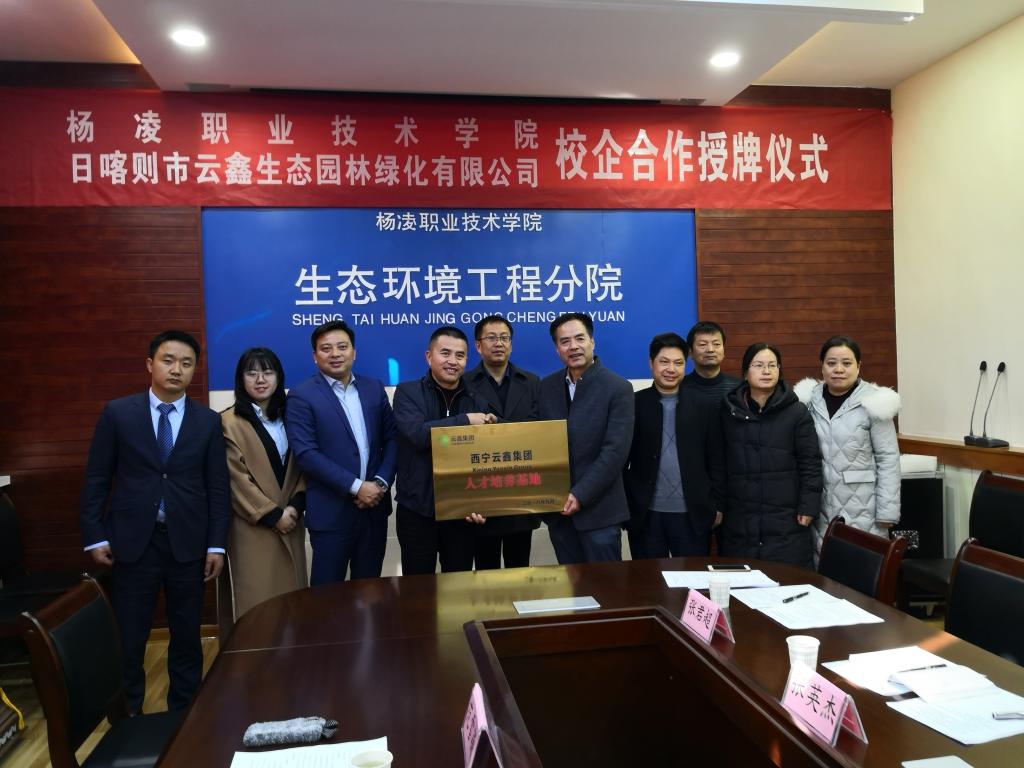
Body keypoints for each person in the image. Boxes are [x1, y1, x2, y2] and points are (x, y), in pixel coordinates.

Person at [80, 330, 230, 713]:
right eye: (168, 360)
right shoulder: (118, 413)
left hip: (188, 543)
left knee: (187, 634)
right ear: (150, 364)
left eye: (186, 363)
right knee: (129, 635)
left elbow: (217, 487)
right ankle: (127, 714)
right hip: (132, 542)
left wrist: (216, 543)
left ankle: (184, 713)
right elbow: (97, 478)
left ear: (194, 370)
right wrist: (95, 535)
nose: (176, 369)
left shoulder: (207, 421)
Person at [286, 320, 397, 584]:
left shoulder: (373, 388)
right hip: (331, 513)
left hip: (373, 511)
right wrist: (357, 487)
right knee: (326, 597)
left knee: (370, 592)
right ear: (315, 356)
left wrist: (380, 484)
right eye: (326, 348)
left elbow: (393, 439)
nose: (335, 354)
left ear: (354, 352)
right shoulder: (301, 396)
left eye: (342, 347)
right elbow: (306, 454)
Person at [393, 326, 496, 575]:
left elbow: (486, 458)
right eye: (445, 353)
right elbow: (418, 435)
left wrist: (483, 503)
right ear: (429, 357)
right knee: (418, 588)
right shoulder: (408, 392)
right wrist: (466, 421)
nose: (452, 361)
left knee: (458, 586)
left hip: (462, 512)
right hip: (418, 510)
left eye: (460, 355)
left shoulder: (477, 399)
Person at [715, 343, 822, 570]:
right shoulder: (728, 411)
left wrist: (808, 506)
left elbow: (810, 462)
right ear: (745, 372)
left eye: (772, 365)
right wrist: (718, 505)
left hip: (786, 519)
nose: (766, 371)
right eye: (759, 365)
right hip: (740, 517)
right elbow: (718, 464)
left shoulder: (796, 412)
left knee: (787, 579)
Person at [538, 312, 634, 564]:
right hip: (559, 513)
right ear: (557, 349)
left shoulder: (618, 388)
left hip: (600, 513)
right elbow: (535, 440)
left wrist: (580, 494)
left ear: (592, 341)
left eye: (580, 338)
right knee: (571, 585)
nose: (573, 346)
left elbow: (615, 452)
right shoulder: (546, 387)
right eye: (565, 341)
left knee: (606, 585)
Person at [794, 335, 901, 556]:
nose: (839, 369)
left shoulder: (875, 402)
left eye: (846, 363)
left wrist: (887, 512)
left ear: (858, 366)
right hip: (820, 505)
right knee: (823, 563)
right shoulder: (809, 401)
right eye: (831, 363)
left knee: (860, 565)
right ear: (822, 366)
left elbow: (888, 458)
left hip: (864, 507)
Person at [221, 347, 307, 619]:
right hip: (253, 526)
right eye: (252, 373)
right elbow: (235, 478)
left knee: (294, 607)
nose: (260, 379)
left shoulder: (293, 417)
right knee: (257, 608)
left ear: (279, 377)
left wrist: (294, 507)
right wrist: (273, 515)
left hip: (292, 522)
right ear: (240, 379)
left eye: (268, 372)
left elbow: (306, 464)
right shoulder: (227, 422)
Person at [624, 333, 723, 559]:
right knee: (648, 579)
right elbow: (621, 459)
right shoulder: (634, 404)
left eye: (678, 363)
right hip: (645, 514)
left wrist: (717, 505)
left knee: (692, 578)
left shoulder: (704, 405)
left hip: (693, 514)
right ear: (651, 363)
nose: (671, 369)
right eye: (664, 362)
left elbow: (717, 459)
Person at [464, 315, 541, 569]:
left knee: (520, 569)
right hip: (482, 493)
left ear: (511, 344)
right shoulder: (464, 383)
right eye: (492, 338)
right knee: (486, 572)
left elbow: (539, 432)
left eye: (504, 338)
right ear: (478, 345)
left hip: (521, 491)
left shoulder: (531, 382)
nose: (499, 343)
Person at [681, 320, 742, 403]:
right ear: (690, 352)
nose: (710, 350)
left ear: (724, 350)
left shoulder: (739, 388)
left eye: (716, 344)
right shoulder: (680, 388)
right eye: (702, 344)